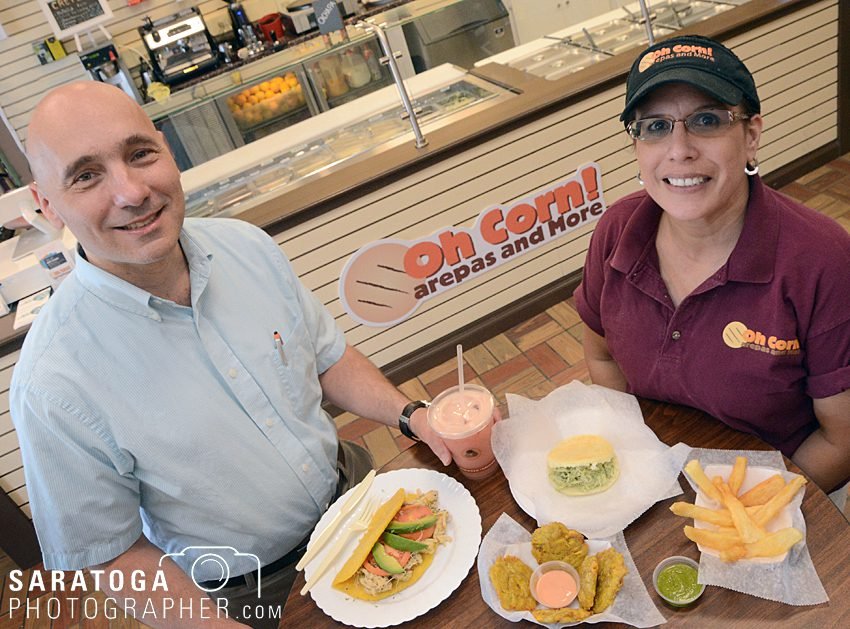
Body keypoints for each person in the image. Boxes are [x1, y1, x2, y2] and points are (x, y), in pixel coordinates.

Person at [10, 81, 453, 628]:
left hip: (361, 503)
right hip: (254, 595)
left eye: (139, 154)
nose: (130, 192)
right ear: (47, 205)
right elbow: (111, 555)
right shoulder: (53, 384)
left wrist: (413, 416)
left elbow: (327, 358)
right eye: (86, 175)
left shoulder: (245, 246)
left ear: (167, 149)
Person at [575, 35, 850, 502]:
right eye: (656, 126)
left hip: (783, 498)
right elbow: (601, 356)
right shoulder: (618, 230)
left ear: (751, 136)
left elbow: (841, 441)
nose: (679, 149)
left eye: (706, 120)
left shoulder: (824, 261)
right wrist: (639, 459)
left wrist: (738, 521)